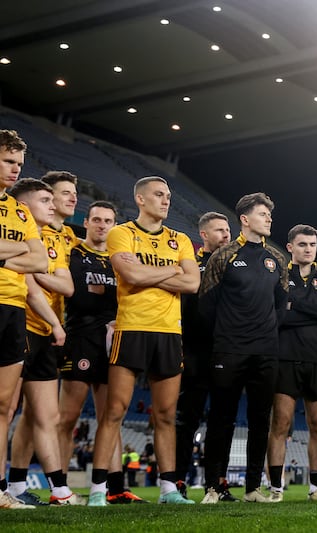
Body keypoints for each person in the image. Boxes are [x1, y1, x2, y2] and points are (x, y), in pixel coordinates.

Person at [88, 176, 200, 506]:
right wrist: (172, 272)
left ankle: (168, 490)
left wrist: (156, 274)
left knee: (166, 414)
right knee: (115, 411)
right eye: (158, 195)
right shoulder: (122, 232)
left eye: (168, 196)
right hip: (132, 328)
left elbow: (193, 283)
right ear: (140, 198)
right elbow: (131, 276)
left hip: (169, 332)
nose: (166, 201)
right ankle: (98, 490)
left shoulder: (180, 238)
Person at [197, 192, 287, 504]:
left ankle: (252, 488)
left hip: (265, 351)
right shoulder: (223, 257)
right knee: (222, 418)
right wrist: (229, 335)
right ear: (245, 219)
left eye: (270, 215)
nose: (269, 219)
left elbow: (281, 306)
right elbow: (206, 306)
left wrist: (263, 333)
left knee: (261, 420)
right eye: (263, 214)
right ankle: (213, 487)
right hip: (229, 350)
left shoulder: (277, 259)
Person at [57, 200, 145, 504]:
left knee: (113, 416)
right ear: (88, 221)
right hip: (81, 337)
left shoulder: (119, 259)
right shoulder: (74, 252)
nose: (102, 225)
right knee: (68, 417)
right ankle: (61, 488)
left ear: (114, 224)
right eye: (96, 219)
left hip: (114, 338)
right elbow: (77, 295)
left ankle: (115, 488)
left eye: (108, 220)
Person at [6, 178, 81, 506]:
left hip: (46, 331)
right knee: (8, 409)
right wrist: (55, 322)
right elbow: (31, 286)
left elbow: (65, 286)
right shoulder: (21, 227)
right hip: (22, 323)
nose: (55, 205)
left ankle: (44, 487)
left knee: (42, 415)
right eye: (50, 199)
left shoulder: (60, 237)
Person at [266, 224, 317, 502]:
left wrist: (295, 305)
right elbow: (278, 317)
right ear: (290, 247)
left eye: (312, 245)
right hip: (284, 358)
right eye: (302, 244)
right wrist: (314, 312)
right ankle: (275, 489)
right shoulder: (279, 277)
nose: (308, 249)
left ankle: (315, 489)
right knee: (281, 424)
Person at [0, 130, 47, 510]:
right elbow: (28, 254)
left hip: (13, 308)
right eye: (7, 161)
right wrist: (20, 251)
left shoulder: (20, 212)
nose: (14, 169)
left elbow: (40, 260)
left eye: (18, 164)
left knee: (3, 406)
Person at [174, 212, 233, 499]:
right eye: (219, 230)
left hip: (227, 349)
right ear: (204, 235)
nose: (226, 234)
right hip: (195, 349)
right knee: (188, 418)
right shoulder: (190, 265)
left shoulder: (236, 266)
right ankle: (177, 482)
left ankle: (217, 482)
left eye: (227, 229)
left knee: (223, 419)